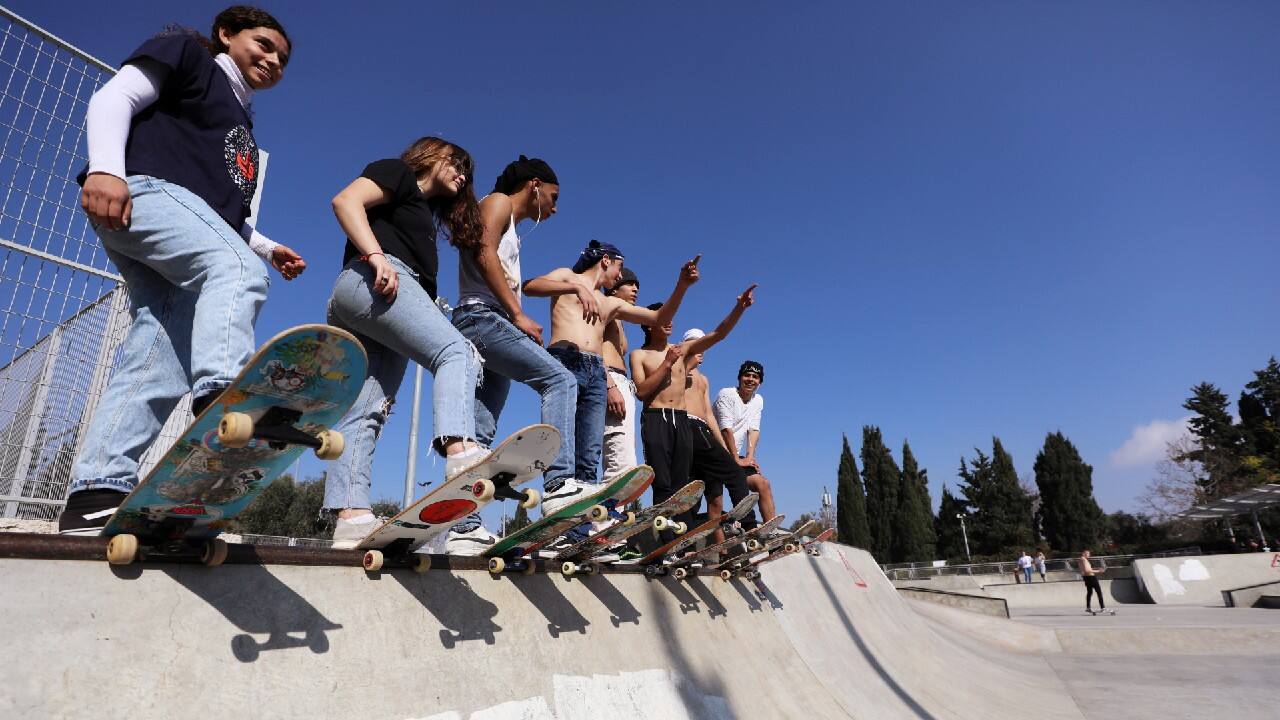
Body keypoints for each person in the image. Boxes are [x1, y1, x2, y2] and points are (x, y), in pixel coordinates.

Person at [59, 7, 303, 534]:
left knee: (161, 351)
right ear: (226, 34)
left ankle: (96, 491)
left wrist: (265, 245)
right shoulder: (190, 55)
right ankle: (223, 395)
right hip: (141, 191)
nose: (272, 60)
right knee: (236, 274)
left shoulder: (241, 123)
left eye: (282, 59)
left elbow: (218, 217)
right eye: (263, 44)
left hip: (180, 217)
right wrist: (105, 167)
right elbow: (114, 97)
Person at [323, 137, 489, 552]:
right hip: (378, 280)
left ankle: (350, 516)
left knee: (367, 411)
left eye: (466, 171)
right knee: (457, 352)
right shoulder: (397, 174)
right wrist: (376, 256)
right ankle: (461, 450)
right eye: (456, 163)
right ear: (431, 155)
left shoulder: (424, 215)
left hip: (377, 298)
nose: (462, 174)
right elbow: (346, 201)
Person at [450, 156, 582, 520]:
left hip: (485, 323)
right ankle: (559, 484)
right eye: (553, 197)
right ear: (534, 185)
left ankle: (465, 523)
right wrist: (518, 314)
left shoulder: (510, 224)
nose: (554, 208)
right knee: (560, 379)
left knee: (479, 433)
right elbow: (482, 251)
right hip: (483, 318)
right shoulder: (498, 202)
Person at [523, 241, 698, 499]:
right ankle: (556, 493)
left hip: (595, 370)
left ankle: (579, 526)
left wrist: (682, 286)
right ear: (606, 260)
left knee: (590, 452)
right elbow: (530, 287)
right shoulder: (566, 276)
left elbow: (659, 318)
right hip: (565, 361)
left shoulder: (609, 303)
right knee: (564, 440)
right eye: (619, 268)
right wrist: (576, 287)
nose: (619, 275)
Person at [632, 284, 757, 544]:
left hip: (681, 421)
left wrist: (739, 309)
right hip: (656, 418)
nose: (669, 323)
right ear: (648, 325)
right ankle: (666, 542)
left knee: (684, 488)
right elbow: (642, 391)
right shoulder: (639, 355)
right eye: (663, 318)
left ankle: (683, 542)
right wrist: (666, 364)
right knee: (663, 484)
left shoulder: (683, 350)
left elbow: (719, 334)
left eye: (670, 319)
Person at [681, 329, 759, 547]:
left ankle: (694, 543)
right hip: (684, 427)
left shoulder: (703, 379)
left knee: (706, 491)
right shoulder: (677, 369)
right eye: (696, 345)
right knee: (694, 489)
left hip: (703, 430)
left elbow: (708, 414)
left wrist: (724, 450)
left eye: (703, 346)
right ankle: (749, 524)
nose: (701, 350)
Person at [713, 361, 776, 523]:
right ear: (739, 378)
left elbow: (754, 431)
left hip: (735, 457)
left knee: (763, 484)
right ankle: (724, 542)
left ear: (760, 382)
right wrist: (736, 459)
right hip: (715, 452)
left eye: (755, 377)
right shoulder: (726, 394)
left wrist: (749, 458)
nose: (750, 379)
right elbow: (725, 430)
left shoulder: (758, 400)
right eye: (746, 375)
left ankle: (771, 532)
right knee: (716, 501)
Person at [601, 267, 640, 480]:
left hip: (622, 383)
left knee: (626, 458)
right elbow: (590, 347)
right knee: (618, 459)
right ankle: (611, 511)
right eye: (630, 284)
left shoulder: (619, 319)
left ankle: (618, 510)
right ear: (614, 290)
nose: (635, 289)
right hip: (610, 379)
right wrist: (610, 385)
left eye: (637, 286)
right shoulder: (605, 308)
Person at [1078, 548, 1106, 613]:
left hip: (1086, 578)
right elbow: (1087, 570)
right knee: (1099, 592)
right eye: (1088, 553)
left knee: (1089, 592)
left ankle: (1088, 607)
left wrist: (1095, 569)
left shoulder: (1080, 560)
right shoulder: (1084, 559)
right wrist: (1098, 571)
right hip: (1091, 577)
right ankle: (1103, 607)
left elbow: (1086, 569)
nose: (1089, 555)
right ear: (1083, 553)